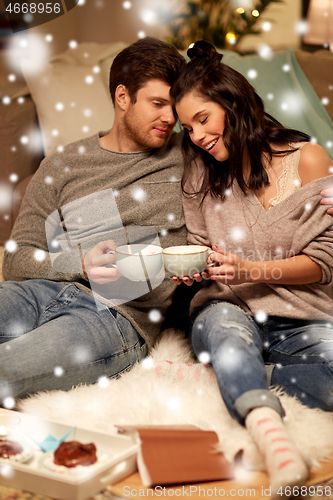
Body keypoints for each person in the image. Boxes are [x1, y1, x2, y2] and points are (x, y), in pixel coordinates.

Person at [170, 41, 333, 495]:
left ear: (233, 102)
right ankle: (274, 440)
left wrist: (254, 269)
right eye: (189, 127)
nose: (198, 136)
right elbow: (201, 247)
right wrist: (197, 269)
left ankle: (234, 374)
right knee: (225, 331)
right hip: (227, 307)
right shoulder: (199, 174)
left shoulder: (310, 160)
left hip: (299, 312)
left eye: (203, 119)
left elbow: (325, 264)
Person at [0, 37, 188, 403]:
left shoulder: (189, 153)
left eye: (174, 106)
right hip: (39, 293)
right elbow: (15, 258)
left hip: (115, 318)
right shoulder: (64, 163)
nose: (170, 117)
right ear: (122, 97)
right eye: (157, 103)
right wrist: (78, 263)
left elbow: (252, 130)